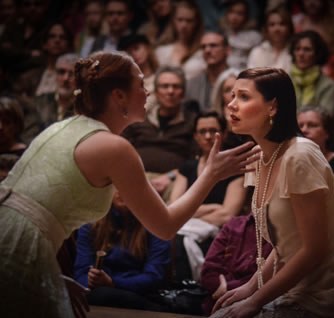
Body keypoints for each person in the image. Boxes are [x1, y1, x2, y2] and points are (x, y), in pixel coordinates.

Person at [0, 50, 260, 317]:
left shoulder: (59, 128)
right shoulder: (113, 147)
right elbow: (165, 227)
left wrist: (50, 274)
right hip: (17, 251)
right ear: (119, 96)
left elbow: (23, 210)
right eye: (141, 85)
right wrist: (211, 174)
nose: (149, 93)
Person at [210, 67, 334, 318]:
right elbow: (287, 242)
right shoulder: (261, 156)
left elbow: (314, 249)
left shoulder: (300, 156)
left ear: (273, 107)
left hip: (329, 286)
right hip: (294, 280)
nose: (231, 105)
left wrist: (255, 300)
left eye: (243, 97)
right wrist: (250, 287)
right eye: (231, 96)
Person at [169, 111, 248, 282]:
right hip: (185, 228)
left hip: (218, 235)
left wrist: (190, 211)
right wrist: (213, 207)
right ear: (195, 136)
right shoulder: (187, 167)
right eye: (202, 131)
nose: (208, 136)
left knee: (180, 240)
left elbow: (227, 214)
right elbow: (173, 207)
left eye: (213, 131)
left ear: (224, 134)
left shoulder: (236, 169)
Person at [74, 187, 171, 310]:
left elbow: (154, 277)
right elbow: (81, 272)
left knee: (104, 296)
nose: (120, 190)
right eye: (115, 185)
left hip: (140, 296)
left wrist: (112, 283)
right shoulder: (91, 224)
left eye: (125, 183)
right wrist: (91, 280)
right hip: (97, 294)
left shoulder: (156, 223)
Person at [122, 65, 197, 202]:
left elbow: (196, 159)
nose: (170, 91)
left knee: (177, 198)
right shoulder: (139, 118)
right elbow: (120, 149)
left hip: (173, 180)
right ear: (156, 92)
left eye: (176, 87)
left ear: (184, 93)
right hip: (136, 175)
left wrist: (171, 176)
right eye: (165, 86)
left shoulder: (192, 122)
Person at [200, 211, 273, 316]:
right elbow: (208, 272)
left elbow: (269, 278)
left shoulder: (280, 233)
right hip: (214, 305)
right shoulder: (234, 225)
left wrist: (227, 287)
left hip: (259, 304)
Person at [21, 53, 79, 144]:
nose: (65, 78)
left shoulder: (83, 108)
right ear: (55, 74)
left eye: (71, 74)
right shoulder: (39, 103)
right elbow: (27, 136)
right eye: (61, 72)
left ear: (79, 78)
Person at [289, 30, 334, 117]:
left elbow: (325, 118)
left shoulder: (329, 85)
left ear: (317, 54)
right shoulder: (285, 80)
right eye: (297, 49)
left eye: (307, 49)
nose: (301, 53)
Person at [155, 0, 205, 80]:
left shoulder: (204, 52)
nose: (184, 25)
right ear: (173, 21)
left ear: (196, 23)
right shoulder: (161, 51)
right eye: (180, 20)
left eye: (189, 21)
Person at [184, 31, 231, 112]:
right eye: (203, 47)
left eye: (213, 45)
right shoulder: (191, 84)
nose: (207, 50)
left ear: (227, 50)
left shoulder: (238, 80)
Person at [247, 4, 294, 73]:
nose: (277, 29)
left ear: (289, 27)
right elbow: (250, 78)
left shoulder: (296, 52)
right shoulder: (257, 52)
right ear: (266, 29)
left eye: (282, 24)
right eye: (272, 24)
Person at [118, 34, 159, 111]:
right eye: (128, 52)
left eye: (136, 48)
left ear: (147, 48)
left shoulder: (161, 78)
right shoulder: (124, 81)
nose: (133, 54)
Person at [218, 0, 262, 70]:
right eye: (231, 12)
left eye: (240, 13)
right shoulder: (223, 34)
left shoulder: (254, 37)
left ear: (246, 17)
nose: (234, 17)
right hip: (225, 72)